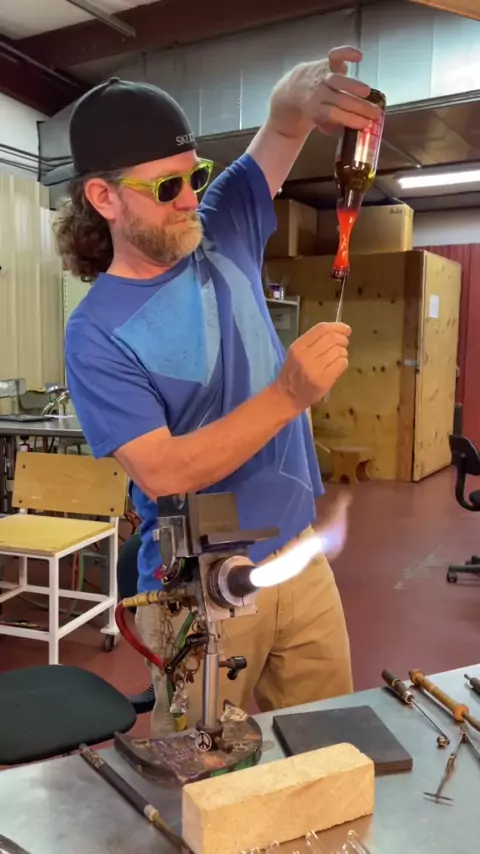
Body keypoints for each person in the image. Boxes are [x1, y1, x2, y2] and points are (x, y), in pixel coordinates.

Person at [47, 45, 381, 736]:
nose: (191, 198)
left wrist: (301, 92)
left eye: (194, 175)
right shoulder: (95, 334)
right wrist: (287, 394)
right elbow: (163, 469)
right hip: (197, 590)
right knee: (200, 772)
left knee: (332, 749)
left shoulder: (222, 226)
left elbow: (283, 125)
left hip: (299, 559)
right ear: (104, 198)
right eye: (166, 187)